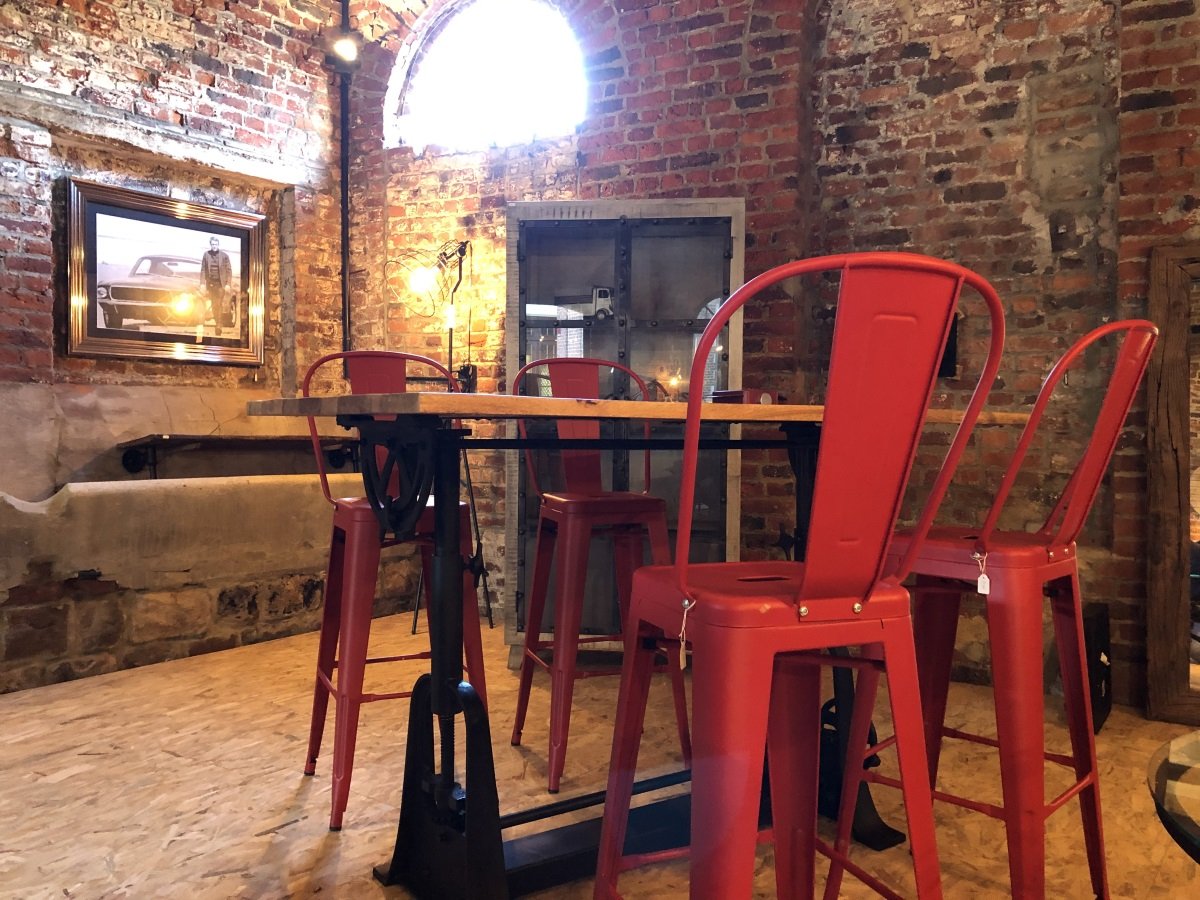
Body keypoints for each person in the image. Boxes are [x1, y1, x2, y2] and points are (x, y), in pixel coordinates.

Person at [200, 236, 233, 335]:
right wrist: (202, 283)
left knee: (218, 304)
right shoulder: (206, 255)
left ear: (218, 245)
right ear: (210, 245)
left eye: (216, 244)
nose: (214, 246)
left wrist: (228, 284)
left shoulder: (224, 256)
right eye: (212, 244)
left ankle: (218, 325)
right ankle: (218, 322)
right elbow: (203, 270)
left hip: (220, 284)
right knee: (214, 305)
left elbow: (229, 271)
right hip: (210, 284)